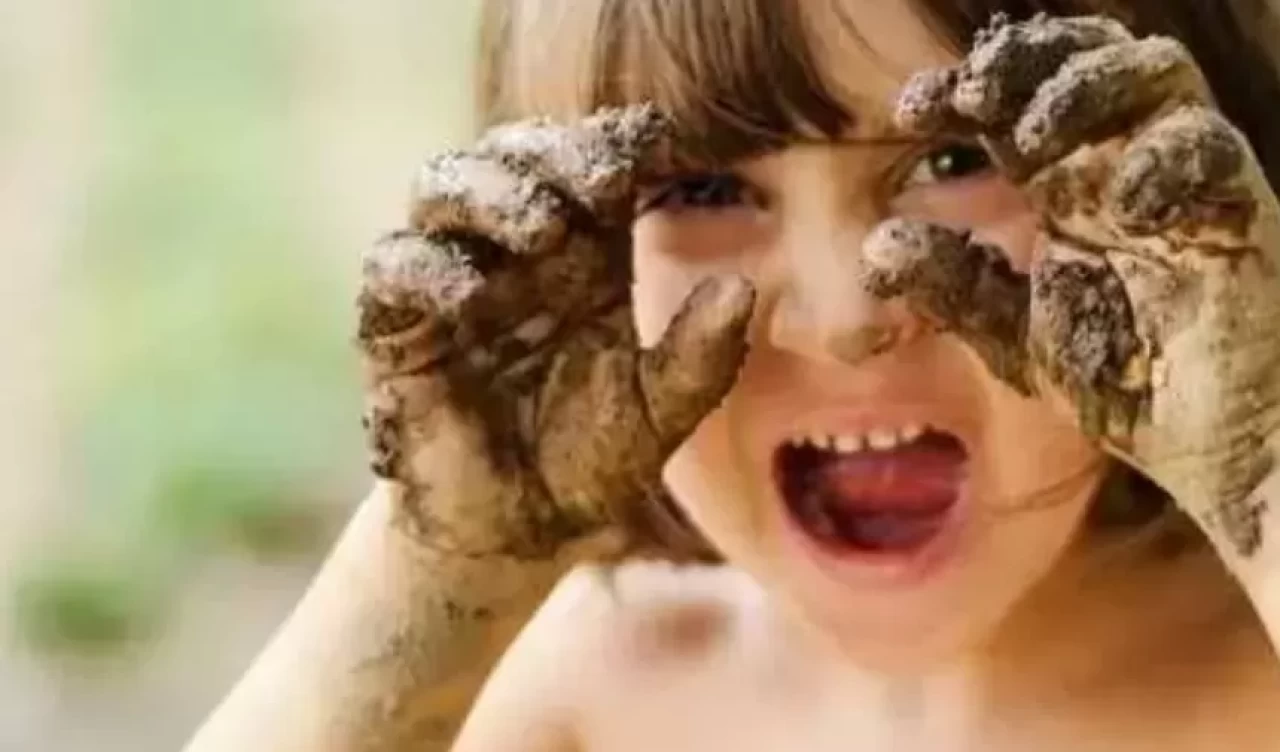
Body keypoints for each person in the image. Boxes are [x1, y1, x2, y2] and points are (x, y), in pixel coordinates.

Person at [185, 1, 1280, 750]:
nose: (841, 321)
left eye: (956, 161)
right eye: (701, 191)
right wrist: (438, 572)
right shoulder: (588, 689)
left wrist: (1262, 458)